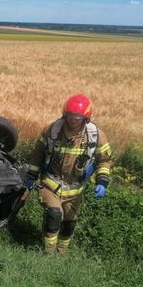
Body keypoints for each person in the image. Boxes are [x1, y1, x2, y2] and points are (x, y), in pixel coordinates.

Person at [24, 94, 112, 255]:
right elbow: (38, 154)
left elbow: (104, 160)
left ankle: (61, 253)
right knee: (54, 214)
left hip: (75, 189)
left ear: (85, 117)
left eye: (78, 117)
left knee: (69, 222)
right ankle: (48, 253)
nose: (73, 119)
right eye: (71, 115)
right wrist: (31, 175)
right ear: (65, 114)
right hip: (51, 183)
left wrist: (102, 181)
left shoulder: (95, 136)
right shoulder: (53, 131)